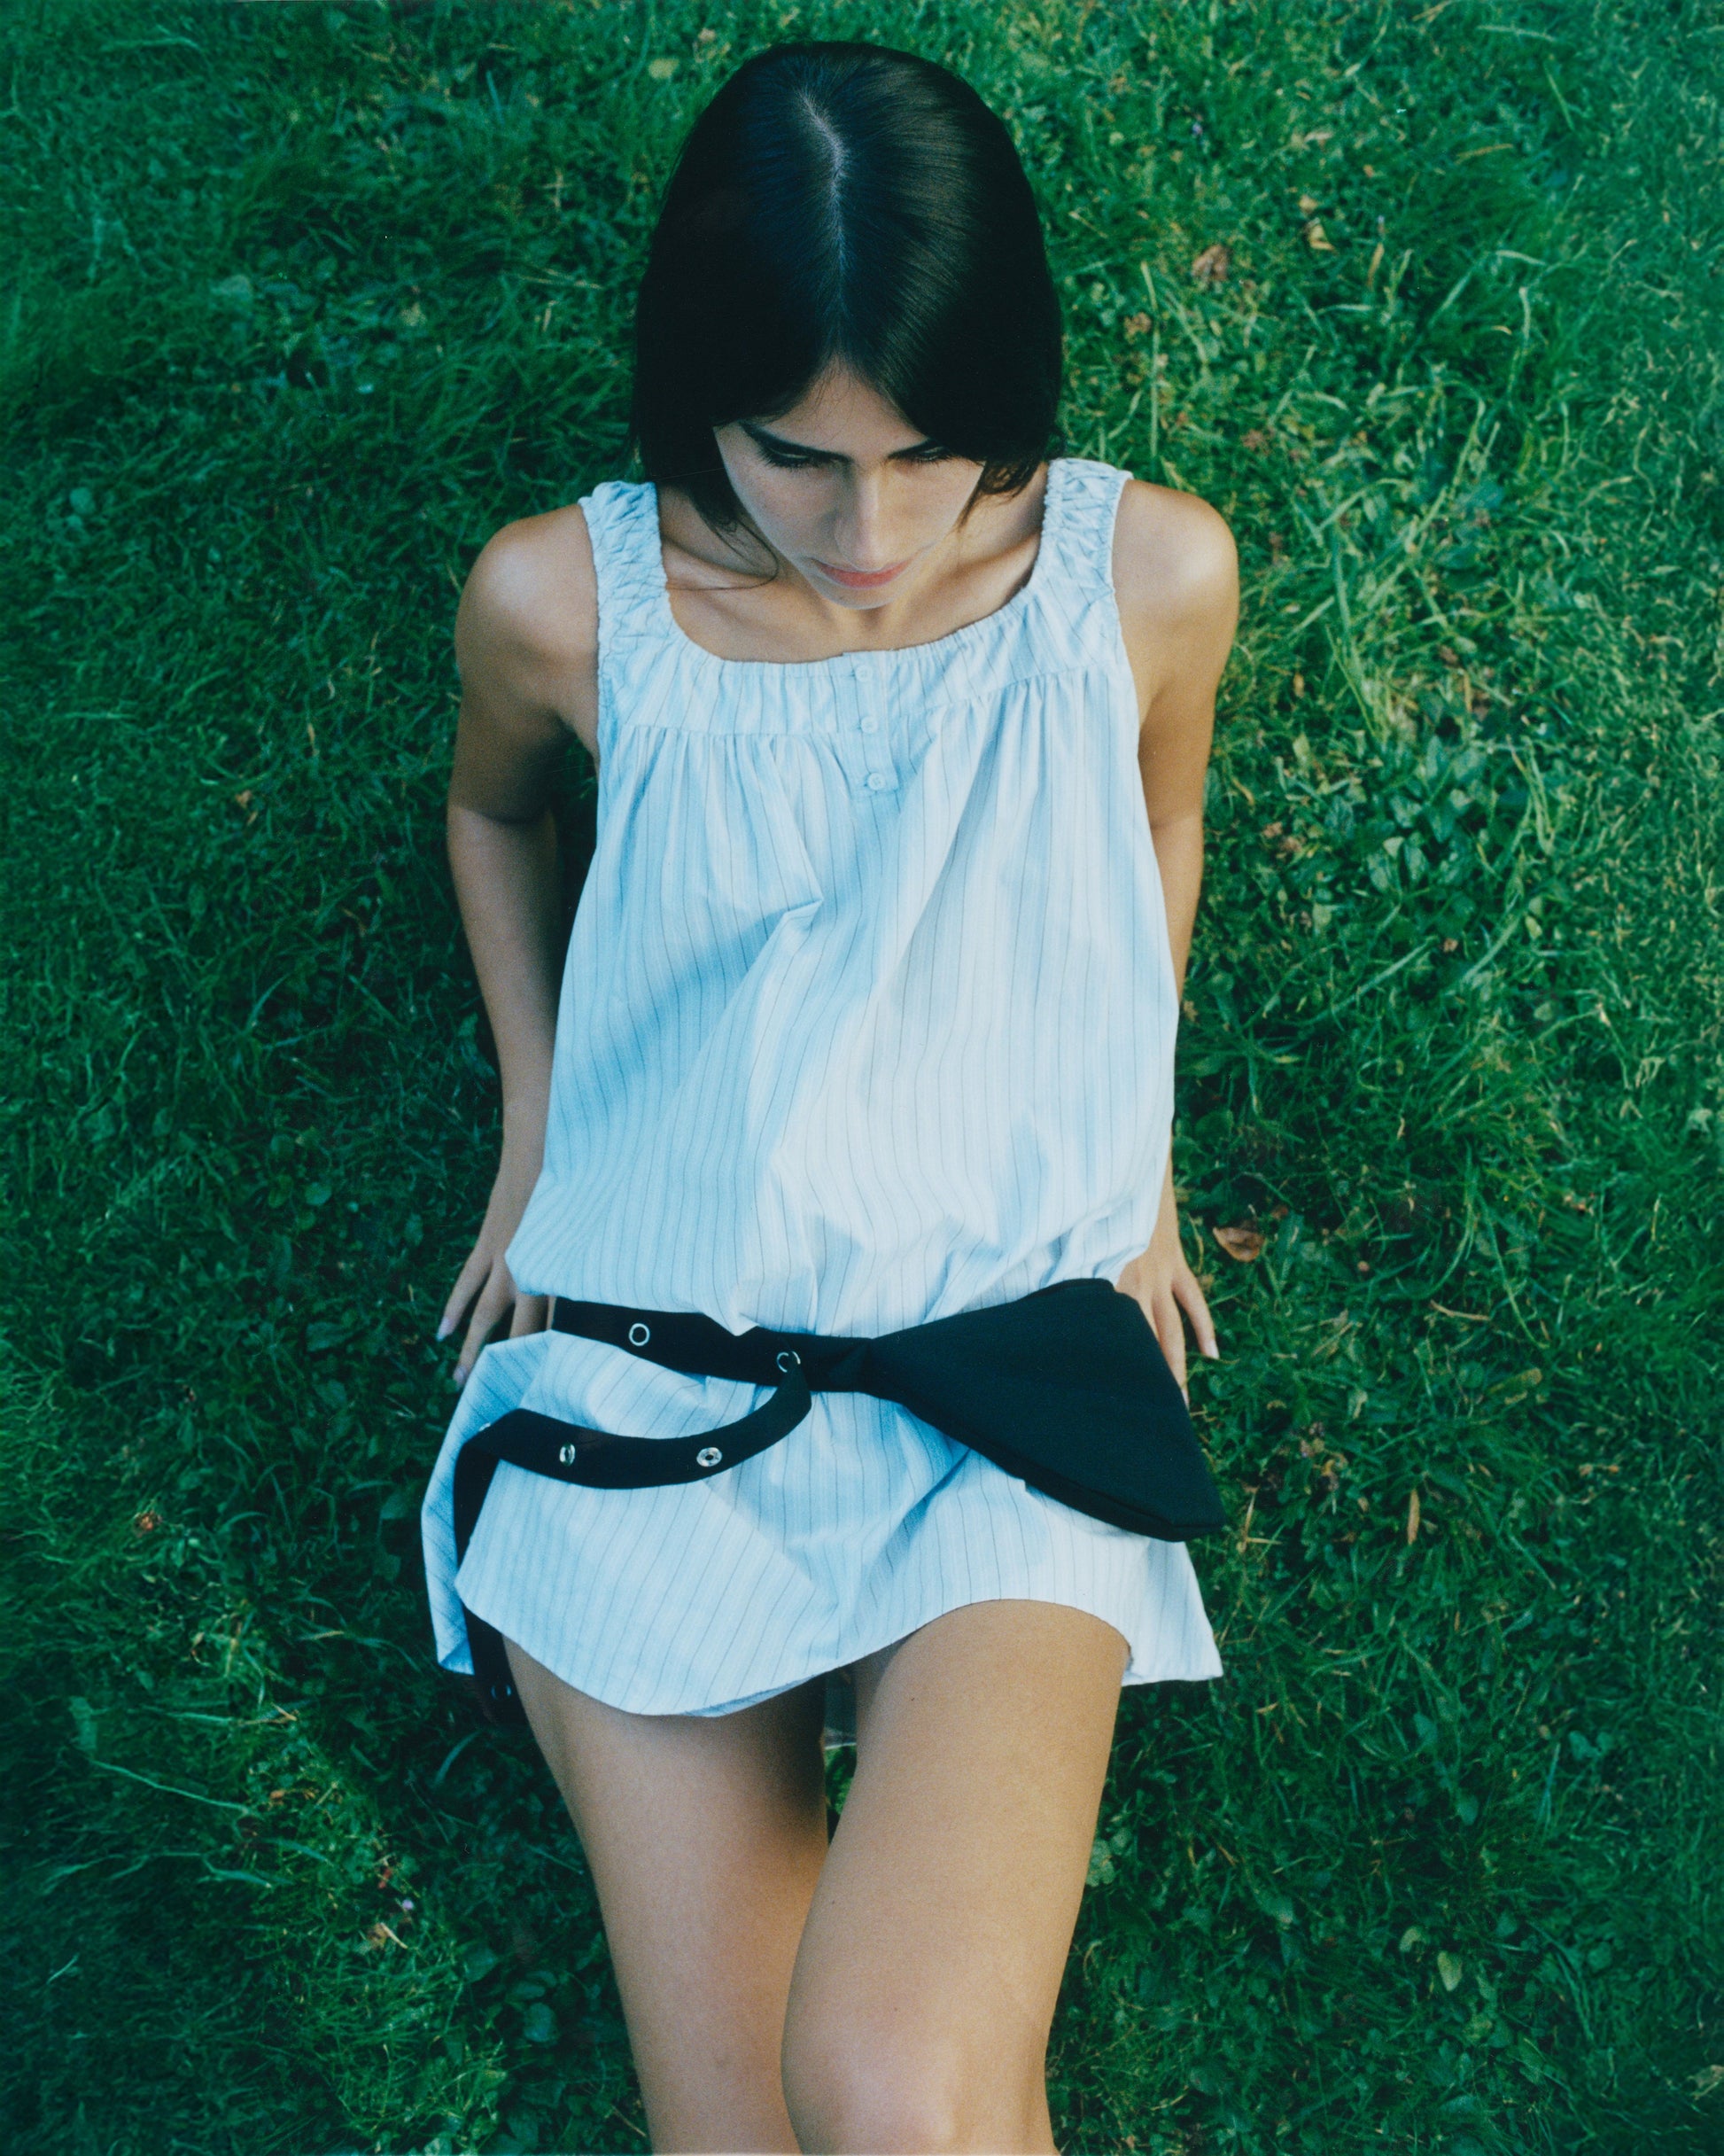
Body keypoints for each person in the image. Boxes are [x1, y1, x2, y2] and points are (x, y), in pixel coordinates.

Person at [419, 39, 1238, 2154]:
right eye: (794, 457)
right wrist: (538, 1123)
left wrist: (1125, 1158)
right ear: (696, 384)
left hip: (998, 1371)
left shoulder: (1132, 582)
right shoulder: (568, 607)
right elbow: (496, 824)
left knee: (901, 2084)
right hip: (639, 1376)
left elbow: (1154, 822)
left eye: (933, 454)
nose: (867, 529)